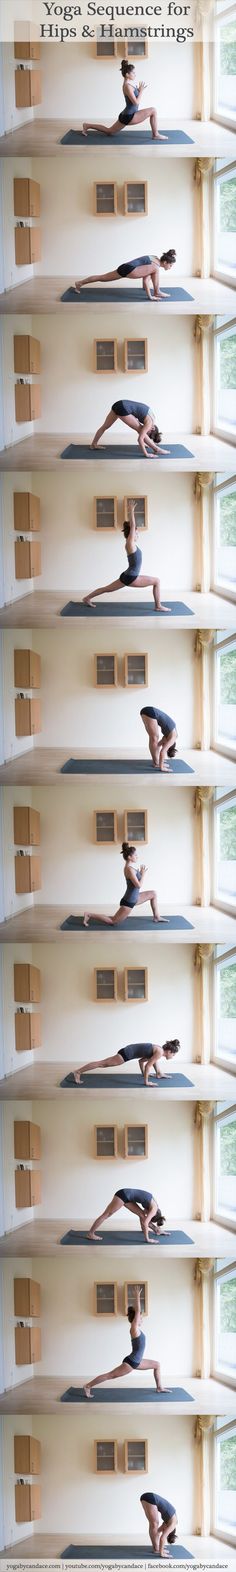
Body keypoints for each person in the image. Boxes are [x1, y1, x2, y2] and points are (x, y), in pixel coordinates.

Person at [83, 1286, 169, 1399]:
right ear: (136, 1319)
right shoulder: (134, 1329)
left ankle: (159, 1387)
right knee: (111, 1375)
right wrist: (137, 1296)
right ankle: (88, 1386)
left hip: (137, 1361)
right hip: (132, 1362)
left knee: (157, 1365)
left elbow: (137, 1313)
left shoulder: (138, 1330)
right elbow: (138, 1311)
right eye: (140, 1318)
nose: (141, 1319)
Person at [82, 500, 169, 610]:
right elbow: (133, 526)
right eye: (137, 532)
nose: (138, 534)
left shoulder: (132, 545)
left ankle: (87, 598)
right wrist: (131, 511)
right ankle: (158, 606)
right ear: (133, 532)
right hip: (131, 577)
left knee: (107, 589)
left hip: (128, 575)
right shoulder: (130, 543)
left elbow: (133, 528)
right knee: (157, 581)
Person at [83, 842, 169, 928]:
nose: (137, 856)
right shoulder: (129, 870)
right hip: (129, 901)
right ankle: (89, 914)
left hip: (135, 897)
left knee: (153, 893)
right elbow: (138, 885)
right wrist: (142, 875)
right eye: (135, 855)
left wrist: (140, 874)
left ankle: (156, 917)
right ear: (129, 857)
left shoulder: (130, 868)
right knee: (112, 921)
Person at [82, 60, 167, 141]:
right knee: (153, 110)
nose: (135, 74)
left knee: (109, 131)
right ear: (127, 74)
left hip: (126, 114)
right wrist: (141, 91)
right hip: (129, 116)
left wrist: (138, 91)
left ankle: (87, 125)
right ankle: (155, 135)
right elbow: (136, 102)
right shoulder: (127, 86)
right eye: (133, 73)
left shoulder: (128, 85)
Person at [75, 250, 176, 301]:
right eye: (170, 265)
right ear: (166, 262)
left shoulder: (154, 258)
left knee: (102, 277)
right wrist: (150, 297)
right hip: (129, 270)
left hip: (125, 267)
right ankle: (157, 292)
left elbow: (145, 274)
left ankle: (80, 283)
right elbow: (146, 280)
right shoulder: (155, 267)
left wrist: (144, 288)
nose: (171, 267)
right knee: (155, 271)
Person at [72, 1039, 180, 1086]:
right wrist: (146, 1081)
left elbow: (141, 1061)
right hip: (125, 1054)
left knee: (102, 1063)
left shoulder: (158, 1050)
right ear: (169, 1051)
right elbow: (148, 1065)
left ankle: (159, 1074)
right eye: (173, 1054)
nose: (173, 1056)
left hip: (127, 1051)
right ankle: (78, 1072)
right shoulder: (159, 1052)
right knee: (102, 1063)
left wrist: (156, 1073)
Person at [88, 1187, 168, 1244]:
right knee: (107, 1214)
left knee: (142, 1215)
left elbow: (143, 1218)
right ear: (154, 1214)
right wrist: (147, 1239)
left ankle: (157, 1230)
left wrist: (155, 1229)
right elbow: (145, 1222)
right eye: (150, 1216)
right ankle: (90, 1234)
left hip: (128, 1197)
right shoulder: (154, 1209)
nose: (147, 1213)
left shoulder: (153, 1205)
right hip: (122, 1195)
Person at [91, 401, 169, 458]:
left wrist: (145, 441)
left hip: (118, 404)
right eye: (148, 434)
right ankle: (157, 449)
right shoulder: (149, 424)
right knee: (140, 430)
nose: (146, 433)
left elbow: (137, 412)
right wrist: (146, 454)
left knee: (105, 426)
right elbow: (140, 439)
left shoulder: (151, 418)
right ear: (152, 428)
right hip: (123, 408)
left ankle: (93, 445)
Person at [140, 1492, 178, 1559]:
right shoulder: (173, 1524)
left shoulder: (167, 1522)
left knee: (154, 1524)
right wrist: (162, 1552)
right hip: (151, 1498)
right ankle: (157, 1549)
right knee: (154, 1524)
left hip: (147, 1497)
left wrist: (160, 1546)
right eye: (165, 1530)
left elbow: (157, 1532)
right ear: (170, 1530)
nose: (163, 1530)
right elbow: (162, 1538)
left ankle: (156, 1548)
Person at [140, 706, 178, 771]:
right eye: (165, 745)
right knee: (154, 737)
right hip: (151, 712)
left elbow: (157, 746)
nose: (163, 745)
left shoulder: (167, 736)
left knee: (154, 738)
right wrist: (162, 767)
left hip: (148, 711)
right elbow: (162, 752)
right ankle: (156, 763)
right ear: (170, 744)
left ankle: (156, 762)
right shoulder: (173, 737)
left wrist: (160, 760)